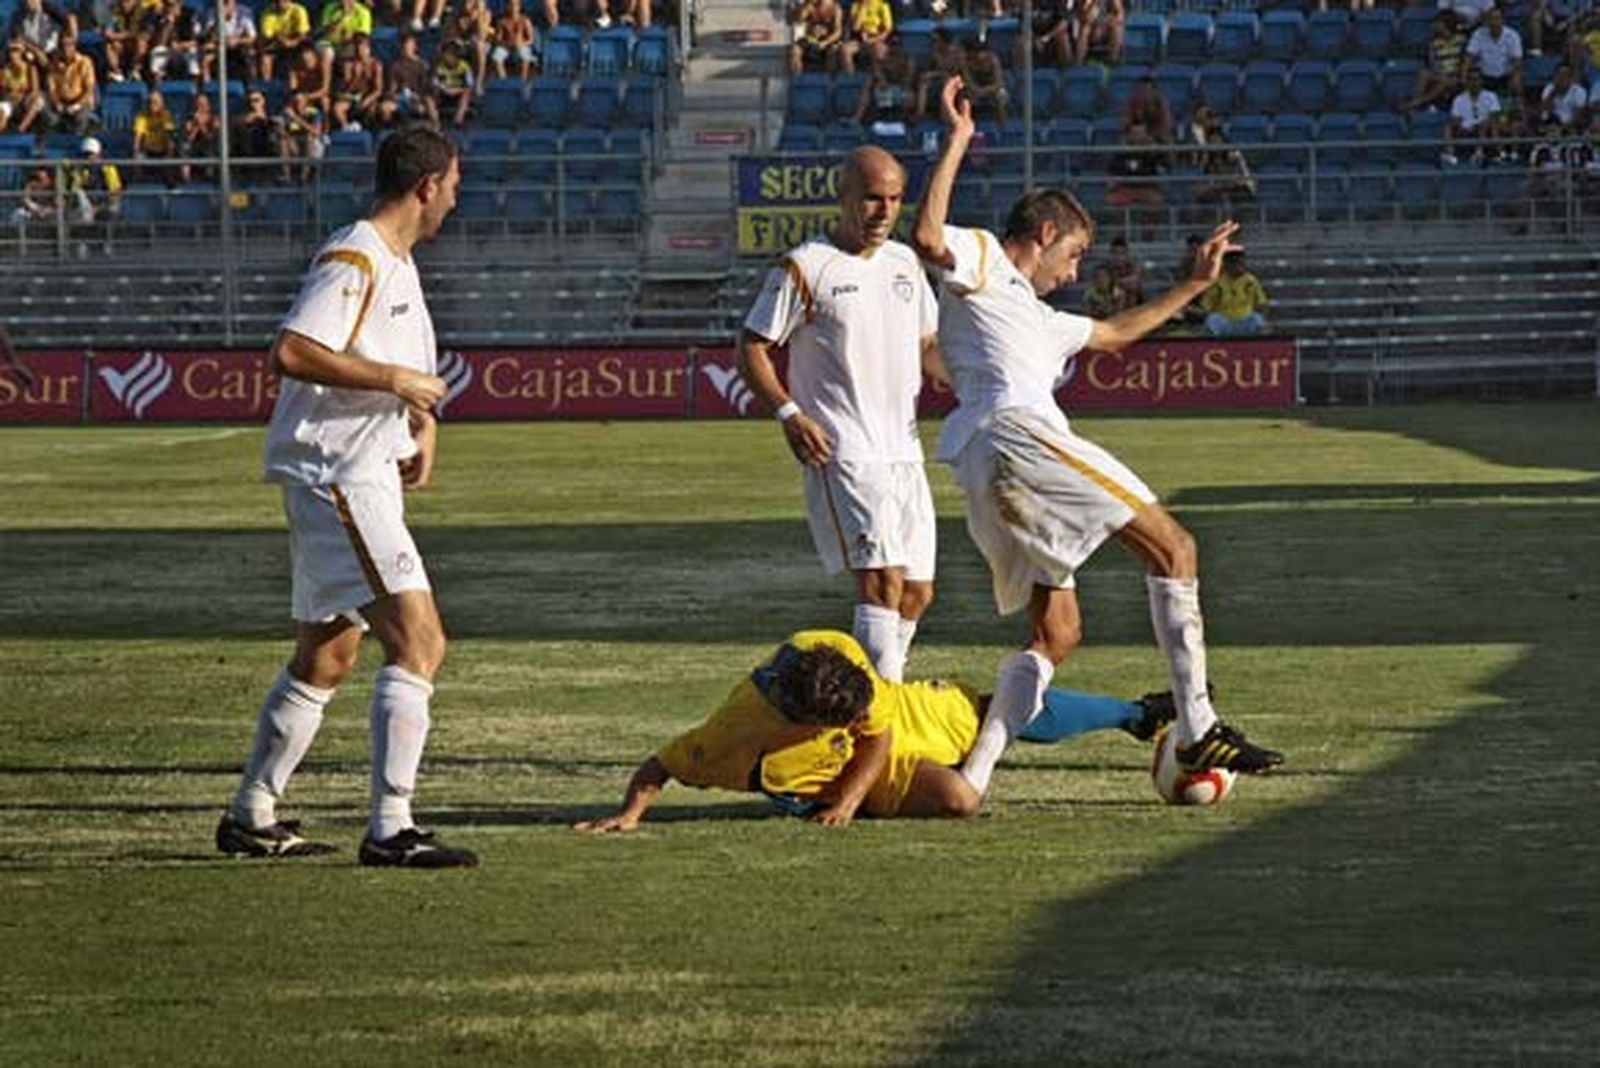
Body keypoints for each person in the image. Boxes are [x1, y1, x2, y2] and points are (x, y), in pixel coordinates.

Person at [909, 78, 1283, 801]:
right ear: (1044, 234)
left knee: (1059, 632)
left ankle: (972, 779)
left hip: (987, 463)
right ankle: (1198, 721)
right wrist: (957, 143)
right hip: (1020, 436)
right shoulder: (984, 259)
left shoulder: (1042, 320)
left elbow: (1112, 334)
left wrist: (1193, 286)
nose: (1075, 271)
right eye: (1073, 254)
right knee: (1175, 547)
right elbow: (927, 237)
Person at [215, 124, 477, 869]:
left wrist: (420, 424)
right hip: (336, 475)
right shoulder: (355, 255)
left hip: (354, 474)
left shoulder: (396, 264)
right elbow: (292, 351)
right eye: (453, 185)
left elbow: (406, 368)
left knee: (327, 655)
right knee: (420, 641)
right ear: (427, 186)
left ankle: (252, 814)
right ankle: (392, 829)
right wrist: (396, 385)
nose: (456, 200)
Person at [574, 630, 1182, 831]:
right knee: (960, 800)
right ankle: (992, 749)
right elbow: (662, 765)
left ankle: (1136, 715)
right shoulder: (730, 736)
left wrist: (849, 798)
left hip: (907, 719)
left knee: (994, 711)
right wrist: (629, 814)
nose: (859, 722)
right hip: (876, 773)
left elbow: (877, 729)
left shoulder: (827, 647)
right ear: (807, 721)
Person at [737, 146, 944, 685]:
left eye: (895, 199)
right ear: (844, 197)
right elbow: (752, 346)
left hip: (904, 449)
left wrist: (978, 380)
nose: (884, 211)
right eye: (872, 198)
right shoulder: (807, 265)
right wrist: (788, 413)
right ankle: (885, 720)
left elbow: (926, 345)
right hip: (844, 449)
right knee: (881, 583)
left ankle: (855, 697)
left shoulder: (905, 263)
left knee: (918, 591)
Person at [1202, 250, 1270, 336]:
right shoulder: (1218, 282)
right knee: (1212, 319)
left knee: (1257, 319)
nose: (1239, 265)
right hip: (1225, 321)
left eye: (1241, 261)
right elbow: (1206, 306)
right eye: (1234, 262)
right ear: (1227, 264)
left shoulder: (1251, 280)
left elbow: (1262, 303)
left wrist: (1264, 320)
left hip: (1245, 320)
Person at [1466, 6, 1524, 100]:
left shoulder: (1513, 36)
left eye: (1497, 18)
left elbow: (1517, 61)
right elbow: (1469, 58)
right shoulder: (1478, 34)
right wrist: (1463, 77)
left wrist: (1515, 77)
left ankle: (1520, 111)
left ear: (1502, 20)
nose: (1494, 22)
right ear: (1487, 21)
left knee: (1517, 83)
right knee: (1471, 81)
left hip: (1506, 76)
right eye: (1491, 19)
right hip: (1484, 76)